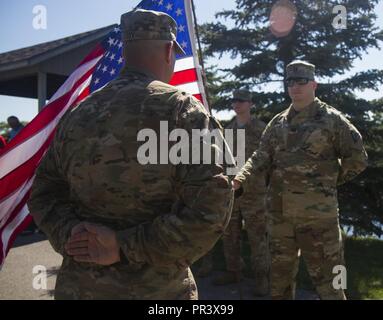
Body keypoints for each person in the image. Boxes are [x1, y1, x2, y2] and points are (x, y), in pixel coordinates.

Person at [28, 9, 234, 300]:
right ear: (167, 51)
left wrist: (71, 234)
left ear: (124, 51)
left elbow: (43, 194)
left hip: (79, 289)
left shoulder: (78, 113)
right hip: (157, 292)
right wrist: (124, 245)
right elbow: (211, 210)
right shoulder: (182, 112)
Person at [233, 60, 368, 300]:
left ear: (314, 84)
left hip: (320, 220)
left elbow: (357, 158)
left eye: (301, 81)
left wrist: (328, 183)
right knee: (279, 287)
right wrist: (238, 179)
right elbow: (260, 156)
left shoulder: (332, 120)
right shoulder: (278, 123)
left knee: (333, 287)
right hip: (280, 218)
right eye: (290, 82)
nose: (295, 86)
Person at [212, 90, 270, 297]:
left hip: (255, 193)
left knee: (257, 237)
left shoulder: (262, 129)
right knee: (230, 234)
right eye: (234, 101)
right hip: (233, 192)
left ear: (250, 103)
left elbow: (270, 159)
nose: (236, 104)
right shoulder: (228, 130)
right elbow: (223, 160)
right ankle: (233, 271)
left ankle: (263, 279)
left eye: (241, 101)